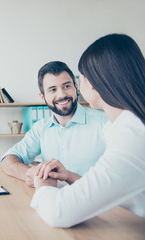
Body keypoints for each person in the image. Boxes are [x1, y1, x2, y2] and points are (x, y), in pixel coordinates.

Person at [31, 33, 145, 227]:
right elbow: (119, 189)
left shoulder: (132, 136)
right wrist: (70, 177)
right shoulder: (125, 127)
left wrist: (42, 185)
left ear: (92, 83)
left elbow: (59, 212)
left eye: (79, 78)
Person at [1, 61, 108, 187]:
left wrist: (67, 176)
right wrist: (28, 174)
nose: (62, 95)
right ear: (43, 97)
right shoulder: (41, 128)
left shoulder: (105, 123)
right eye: (52, 90)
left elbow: (116, 183)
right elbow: (7, 159)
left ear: (76, 87)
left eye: (67, 86)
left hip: (94, 202)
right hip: (52, 200)